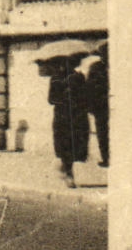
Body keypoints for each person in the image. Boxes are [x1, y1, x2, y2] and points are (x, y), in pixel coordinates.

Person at [47, 56, 89, 188]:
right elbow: (51, 99)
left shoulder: (79, 77)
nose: (67, 66)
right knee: (65, 145)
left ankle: (66, 169)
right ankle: (68, 173)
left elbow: (85, 96)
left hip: (77, 116)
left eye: (70, 63)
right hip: (62, 116)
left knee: (76, 145)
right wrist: (64, 96)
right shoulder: (56, 78)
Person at [84, 44, 109, 168]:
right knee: (102, 133)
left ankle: (108, 157)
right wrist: (90, 106)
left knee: (103, 133)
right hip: (101, 106)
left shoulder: (118, 65)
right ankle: (106, 157)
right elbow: (89, 88)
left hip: (105, 105)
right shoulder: (96, 67)